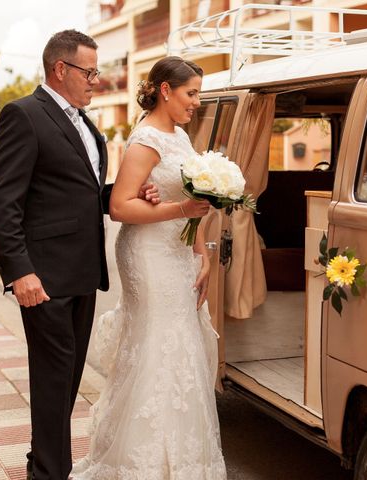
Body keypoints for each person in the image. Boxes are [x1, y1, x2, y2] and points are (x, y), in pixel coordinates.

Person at [0, 30, 159, 480]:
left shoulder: (85, 123)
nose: (96, 80)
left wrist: (127, 192)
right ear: (60, 69)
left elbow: (78, 193)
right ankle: (48, 473)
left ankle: (39, 465)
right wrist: (19, 271)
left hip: (83, 273)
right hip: (43, 279)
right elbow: (3, 202)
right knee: (52, 381)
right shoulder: (23, 115)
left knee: (64, 382)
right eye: (90, 71)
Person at [71, 56, 227, 479]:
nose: (197, 102)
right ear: (165, 90)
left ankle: (181, 461)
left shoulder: (180, 136)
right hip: (148, 255)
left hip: (178, 251)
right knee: (160, 346)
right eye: (191, 93)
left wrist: (202, 252)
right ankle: (140, 463)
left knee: (183, 349)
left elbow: (191, 203)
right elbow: (120, 206)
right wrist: (181, 207)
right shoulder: (145, 138)